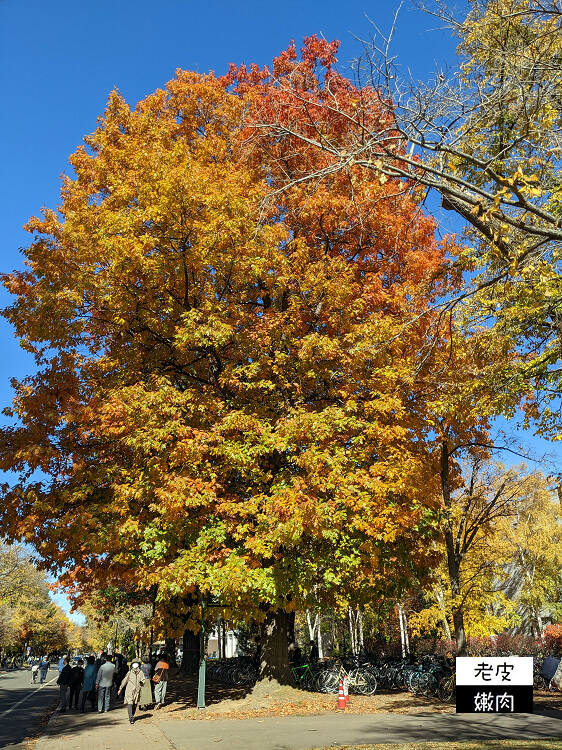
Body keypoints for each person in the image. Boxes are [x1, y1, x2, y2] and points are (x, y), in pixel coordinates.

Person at [118, 660, 144, 725]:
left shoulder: (141, 672)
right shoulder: (129, 672)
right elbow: (125, 680)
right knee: (130, 702)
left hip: (137, 690)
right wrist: (120, 688)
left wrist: (140, 684)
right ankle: (131, 718)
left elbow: (143, 680)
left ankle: (132, 714)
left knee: (135, 703)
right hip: (129, 689)